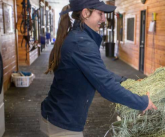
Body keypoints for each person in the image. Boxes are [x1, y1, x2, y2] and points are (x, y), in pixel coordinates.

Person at [40, 0, 157, 136]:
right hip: (63, 123)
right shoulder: (82, 43)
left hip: (59, 115)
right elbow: (106, 86)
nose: (103, 18)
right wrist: (143, 103)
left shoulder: (80, 37)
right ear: (85, 13)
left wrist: (126, 82)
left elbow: (99, 72)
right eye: (100, 13)